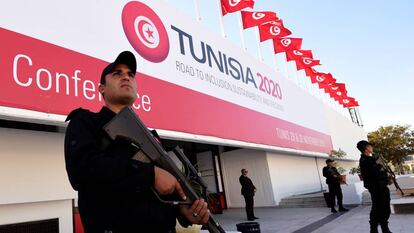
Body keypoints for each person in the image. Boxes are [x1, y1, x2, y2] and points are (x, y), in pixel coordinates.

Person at [64, 51, 209, 233]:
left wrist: (181, 209)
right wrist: (150, 175)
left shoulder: (151, 136)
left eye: (130, 74)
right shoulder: (85, 122)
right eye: (117, 73)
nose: (126, 77)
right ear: (101, 88)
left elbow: (156, 193)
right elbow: (81, 171)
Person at [357, 140, 393, 233]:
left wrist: (387, 177)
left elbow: (379, 172)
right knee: (379, 208)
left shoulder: (369, 159)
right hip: (377, 187)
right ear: (366, 148)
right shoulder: (366, 160)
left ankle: (382, 228)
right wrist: (381, 169)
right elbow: (373, 174)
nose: (372, 148)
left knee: (382, 208)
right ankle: (376, 229)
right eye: (370, 146)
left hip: (381, 186)